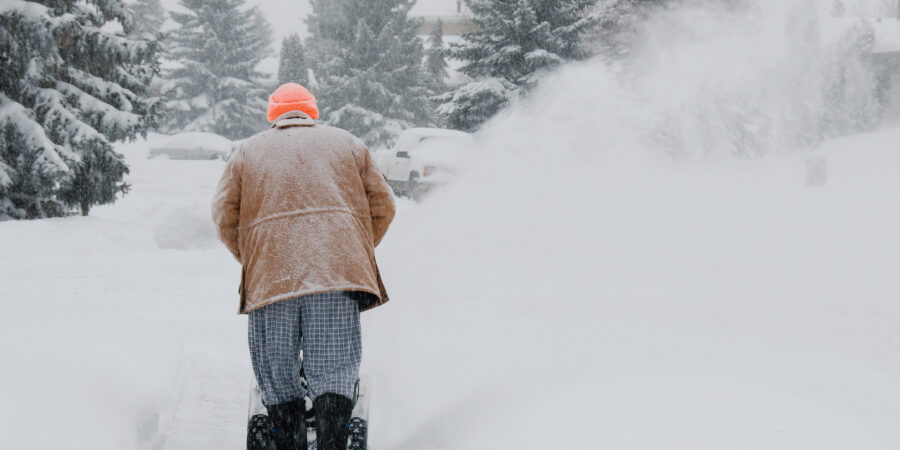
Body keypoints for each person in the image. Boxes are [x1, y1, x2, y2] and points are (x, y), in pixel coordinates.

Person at [211, 83, 395, 450]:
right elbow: (384, 205)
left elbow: (223, 215)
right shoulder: (348, 144)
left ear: (273, 115)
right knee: (335, 369)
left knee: (277, 373)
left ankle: (289, 441)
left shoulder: (247, 152)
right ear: (312, 112)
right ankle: (331, 441)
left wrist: (255, 258)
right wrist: (350, 251)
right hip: (337, 278)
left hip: (271, 281)